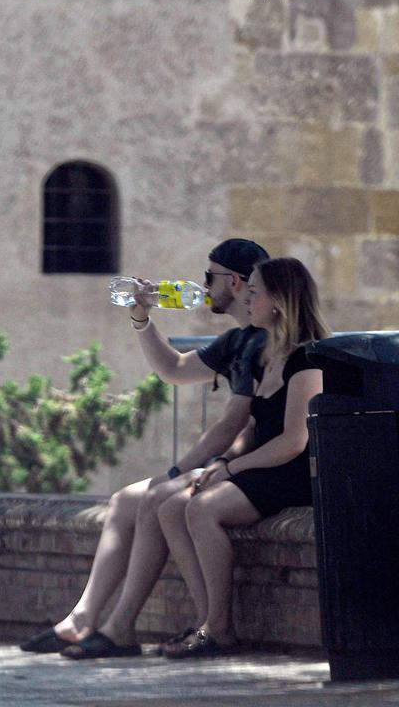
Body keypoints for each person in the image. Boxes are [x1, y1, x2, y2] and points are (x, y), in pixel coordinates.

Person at [19, 238, 269, 659]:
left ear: (235, 281)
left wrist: (176, 473)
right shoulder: (238, 339)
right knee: (123, 500)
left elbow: (231, 425)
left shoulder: (262, 341)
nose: (203, 285)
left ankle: (122, 627)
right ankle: (82, 620)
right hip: (232, 463)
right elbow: (174, 368)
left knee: (157, 497)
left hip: (251, 465)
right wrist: (141, 318)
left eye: (209, 277)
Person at [156, 257, 330, 658]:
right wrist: (219, 463)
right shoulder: (263, 353)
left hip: (294, 472)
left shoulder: (309, 359)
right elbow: (252, 430)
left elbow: (292, 441)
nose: (244, 298)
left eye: (253, 291)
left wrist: (232, 469)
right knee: (171, 508)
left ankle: (219, 629)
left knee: (201, 510)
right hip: (260, 466)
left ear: (280, 301)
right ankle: (207, 622)